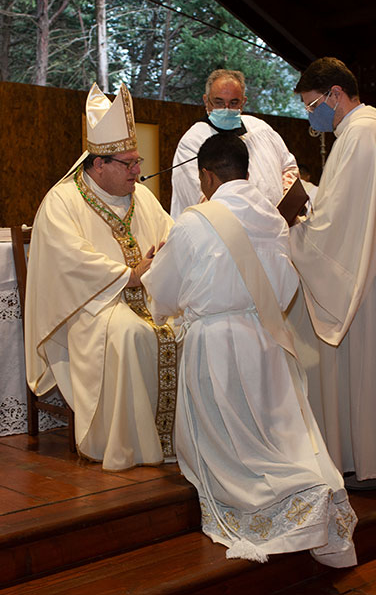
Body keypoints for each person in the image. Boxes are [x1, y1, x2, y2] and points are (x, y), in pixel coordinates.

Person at [142, 133, 356, 566]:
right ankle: (314, 491)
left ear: (206, 175)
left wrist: (157, 271)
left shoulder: (194, 220)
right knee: (279, 436)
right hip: (265, 340)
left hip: (217, 345)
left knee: (236, 451)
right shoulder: (274, 218)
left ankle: (292, 502)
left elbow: (164, 292)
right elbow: (284, 286)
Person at [25, 83, 177, 471]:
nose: (138, 172)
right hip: (89, 306)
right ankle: (130, 445)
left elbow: (169, 235)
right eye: (129, 164)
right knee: (133, 333)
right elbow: (69, 263)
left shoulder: (141, 196)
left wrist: (165, 258)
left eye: (137, 162)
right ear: (98, 165)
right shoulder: (62, 200)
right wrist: (128, 277)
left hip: (148, 298)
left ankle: (181, 437)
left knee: (189, 328)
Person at [287, 57, 376, 490]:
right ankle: (374, 460)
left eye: (313, 106)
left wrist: (296, 233)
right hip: (372, 272)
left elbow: (337, 222)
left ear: (335, 95)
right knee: (370, 368)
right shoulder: (368, 132)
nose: (313, 117)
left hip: (361, 278)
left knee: (364, 366)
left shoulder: (361, 135)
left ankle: (373, 464)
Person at [170, 69, 299, 219]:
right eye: (218, 102)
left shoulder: (260, 129)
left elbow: (288, 167)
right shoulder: (193, 142)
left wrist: (282, 210)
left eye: (233, 102)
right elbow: (202, 199)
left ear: (243, 102)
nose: (226, 109)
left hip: (276, 226)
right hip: (227, 232)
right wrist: (259, 220)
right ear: (206, 100)